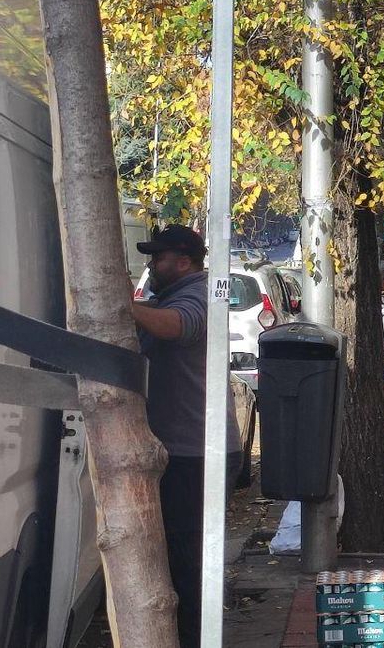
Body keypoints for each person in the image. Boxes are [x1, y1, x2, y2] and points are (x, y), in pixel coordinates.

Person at [130, 224, 241, 646]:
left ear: (183, 261)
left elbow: (177, 327)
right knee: (179, 557)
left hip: (199, 456)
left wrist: (129, 305)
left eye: (157, 258)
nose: (151, 264)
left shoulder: (200, 295)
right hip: (188, 452)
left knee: (187, 561)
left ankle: (195, 638)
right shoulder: (170, 295)